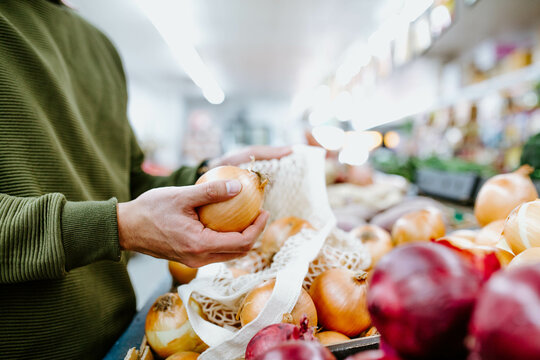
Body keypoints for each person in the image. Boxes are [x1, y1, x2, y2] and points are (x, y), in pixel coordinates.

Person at [0, 1, 291, 358]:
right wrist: (119, 226)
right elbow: (120, 213)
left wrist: (204, 177)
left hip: (126, 339)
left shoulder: (99, 46)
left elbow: (129, 182)